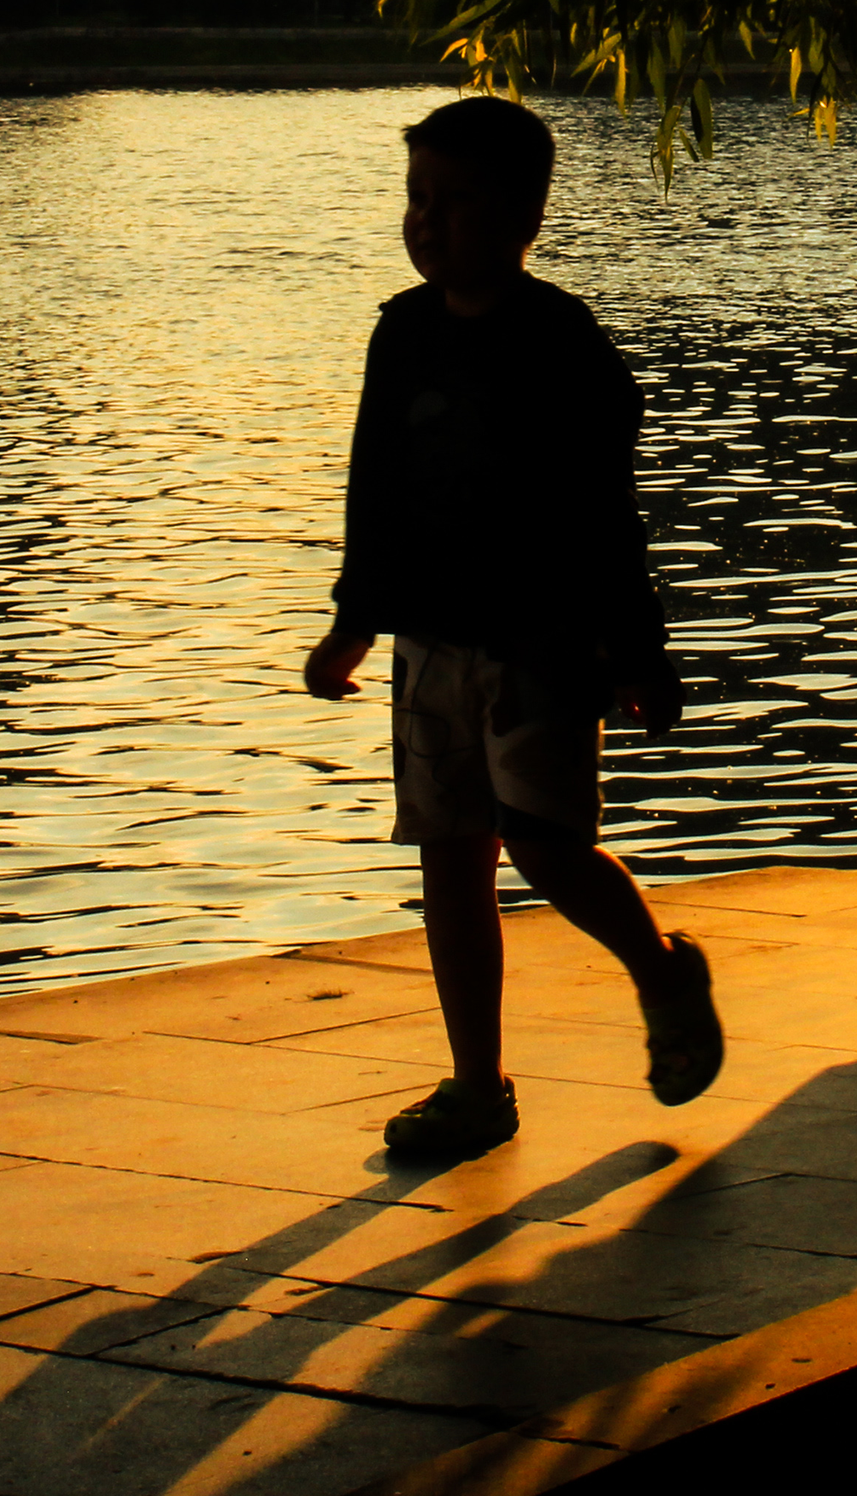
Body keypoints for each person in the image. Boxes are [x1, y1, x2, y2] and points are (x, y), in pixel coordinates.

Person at [305, 94, 723, 1155]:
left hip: (542, 641)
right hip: (430, 640)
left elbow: (601, 513)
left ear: (524, 211)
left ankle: (661, 968)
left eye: (454, 202)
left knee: (546, 846)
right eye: (416, 199)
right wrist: (355, 620)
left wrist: (638, 652)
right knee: (448, 853)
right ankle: (476, 1084)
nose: (429, 223)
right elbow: (376, 487)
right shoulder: (402, 335)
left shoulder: (561, 345)